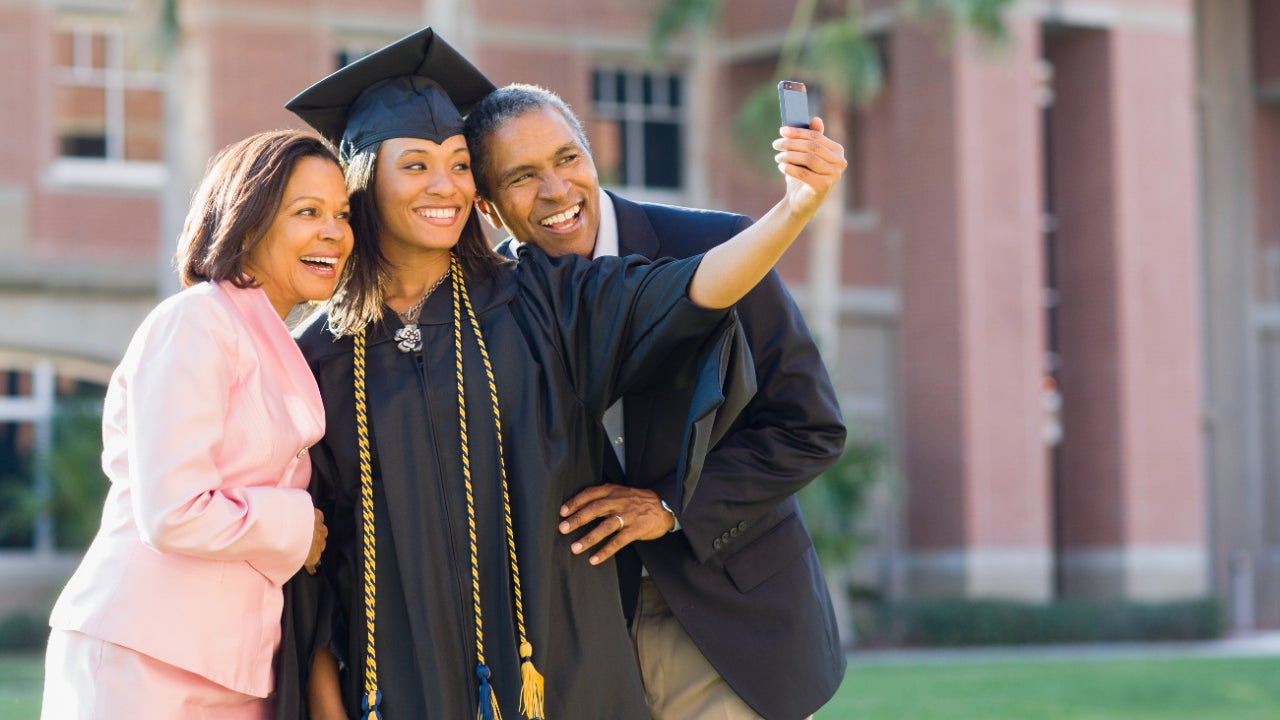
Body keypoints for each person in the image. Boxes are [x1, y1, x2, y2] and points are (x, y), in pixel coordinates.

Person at [278, 26, 845, 720]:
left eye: (457, 164)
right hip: (418, 675)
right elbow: (315, 556)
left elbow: (697, 288)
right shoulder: (320, 359)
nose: (444, 186)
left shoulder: (537, 299)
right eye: (417, 164)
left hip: (625, 641)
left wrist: (792, 210)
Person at [467, 84, 848, 719]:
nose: (557, 190)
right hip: (577, 636)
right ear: (487, 204)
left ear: (593, 156)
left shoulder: (723, 248)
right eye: (523, 176)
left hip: (728, 616)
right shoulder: (490, 304)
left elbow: (809, 429)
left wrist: (668, 505)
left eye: (567, 159)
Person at [40, 129, 351, 720]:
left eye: (342, 213)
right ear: (249, 220)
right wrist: (297, 525)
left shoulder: (269, 338)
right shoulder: (197, 322)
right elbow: (173, 510)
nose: (334, 230)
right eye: (308, 212)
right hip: (144, 656)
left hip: (232, 665)